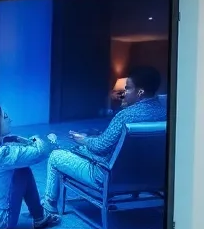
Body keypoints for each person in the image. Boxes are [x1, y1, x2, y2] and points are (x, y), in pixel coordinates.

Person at [43, 65, 168, 214]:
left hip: (108, 177)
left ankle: (49, 203)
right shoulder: (165, 113)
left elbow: (100, 148)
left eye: (128, 89)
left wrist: (84, 140)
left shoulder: (125, 116)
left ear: (140, 92)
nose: (124, 93)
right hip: (153, 177)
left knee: (56, 155)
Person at [0, 101, 60, 229]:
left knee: (20, 171)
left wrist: (7, 139)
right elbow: (40, 152)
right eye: (5, 117)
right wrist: (43, 139)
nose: (10, 120)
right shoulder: (1, 154)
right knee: (23, 171)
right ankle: (40, 217)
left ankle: (39, 215)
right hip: (0, 223)